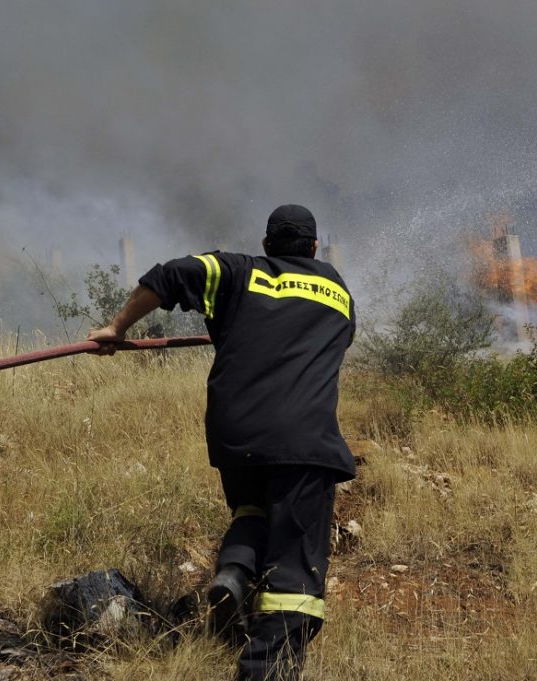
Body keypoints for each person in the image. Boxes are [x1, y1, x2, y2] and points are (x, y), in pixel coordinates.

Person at [88, 204, 356, 680]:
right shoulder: (337, 291)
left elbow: (169, 275)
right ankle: (264, 669)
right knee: (296, 576)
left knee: (253, 510)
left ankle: (234, 571)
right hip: (304, 439)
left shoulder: (237, 270)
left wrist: (117, 328)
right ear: (314, 248)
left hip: (238, 432)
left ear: (267, 244)